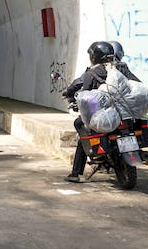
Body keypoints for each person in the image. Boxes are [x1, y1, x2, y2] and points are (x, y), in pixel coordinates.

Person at [61, 41, 142, 182]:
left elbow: (84, 97)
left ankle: (76, 173)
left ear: (94, 56)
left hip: (104, 116)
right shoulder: (122, 68)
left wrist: (75, 102)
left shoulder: (91, 73)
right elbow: (136, 83)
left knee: (81, 127)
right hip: (125, 114)